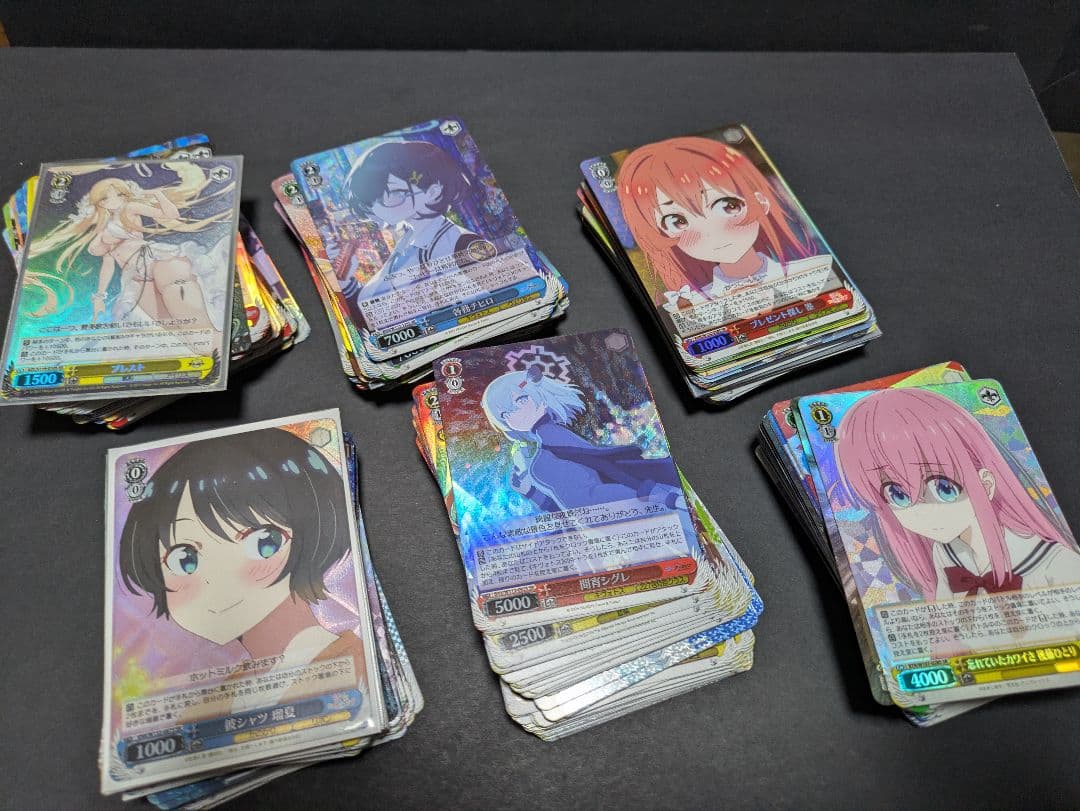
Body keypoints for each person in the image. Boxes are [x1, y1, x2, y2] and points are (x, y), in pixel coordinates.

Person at [118, 427, 368, 715]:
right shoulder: (210, 706)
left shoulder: (356, 665)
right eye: (184, 559)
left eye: (263, 543)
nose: (217, 578)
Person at [834, 387, 1080, 600]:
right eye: (898, 495)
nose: (923, 512)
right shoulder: (945, 553)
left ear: (986, 483)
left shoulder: (1056, 563)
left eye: (944, 488)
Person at [27, 162, 231, 348]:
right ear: (99, 202)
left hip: (156, 260)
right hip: (135, 278)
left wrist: (160, 196)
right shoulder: (100, 231)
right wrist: (99, 297)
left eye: (120, 194)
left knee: (194, 321)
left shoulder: (130, 208)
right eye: (106, 197)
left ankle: (222, 344)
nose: (114, 200)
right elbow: (108, 263)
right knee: (181, 334)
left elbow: (170, 215)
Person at [615, 136, 820, 312]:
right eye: (677, 221)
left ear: (760, 202)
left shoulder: (816, 273)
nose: (709, 231)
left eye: (727, 206)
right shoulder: (690, 307)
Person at [481, 365, 687, 513]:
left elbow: (593, 488)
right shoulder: (543, 457)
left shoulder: (553, 441)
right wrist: (532, 493)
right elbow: (586, 506)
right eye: (505, 414)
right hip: (649, 506)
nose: (515, 414)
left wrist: (659, 496)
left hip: (656, 498)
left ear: (538, 397)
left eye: (520, 400)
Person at [341, 140, 493, 304]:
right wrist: (345, 281)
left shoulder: (460, 243)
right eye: (373, 199)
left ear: (433, 192)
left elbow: (501, 296)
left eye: (394, 194)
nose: (378, 207)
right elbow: (373, 300)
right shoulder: (407, 242)